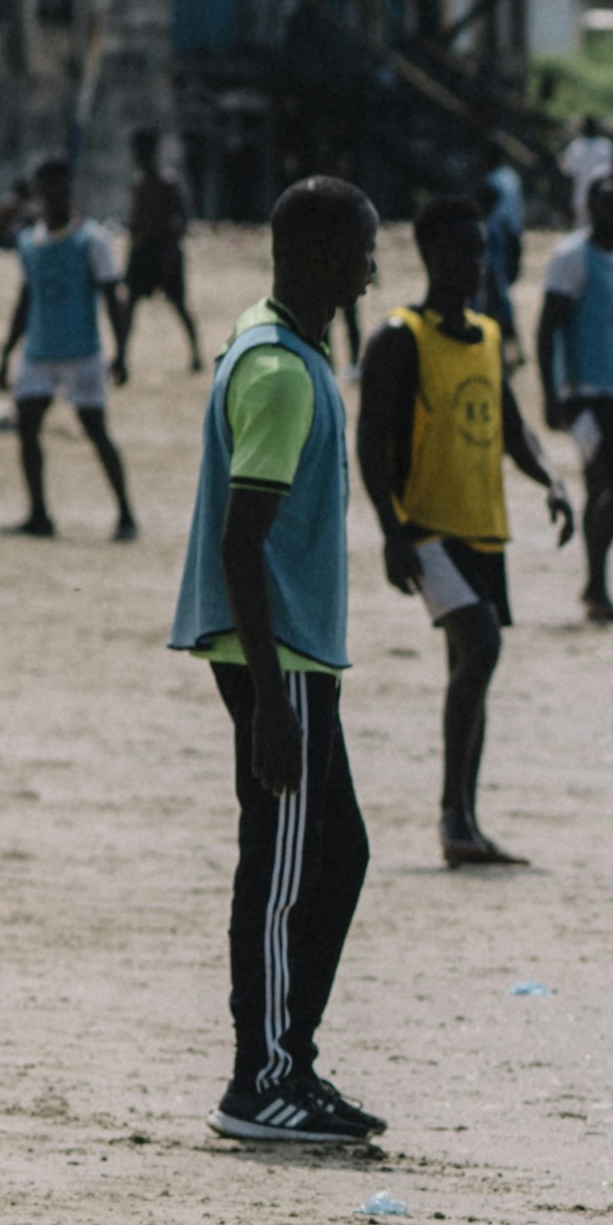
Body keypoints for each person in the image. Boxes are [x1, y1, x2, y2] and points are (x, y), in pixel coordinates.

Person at [173, 178, 394, 1151]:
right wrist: (269, 698)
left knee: (333, 853)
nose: (368, 273)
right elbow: (240, 542)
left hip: (293, 654)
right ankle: (260, 1079)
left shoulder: (282, 345)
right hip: (278, 656)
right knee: (283, 868)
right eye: (358, 252)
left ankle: (287, 1063)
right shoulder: (277, 373)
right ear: (312, 255)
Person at [363, 199, 579, 869]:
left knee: (470, 669)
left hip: (485, 531)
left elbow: (513, 429)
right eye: (462, 251)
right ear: (429, 255)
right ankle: (453, 813)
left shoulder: (487, 336)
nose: (476, 264)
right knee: (481, 647)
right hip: (426, 529)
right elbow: (369, 441)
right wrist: (390, 532)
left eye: (483, 251)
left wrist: (552, 480)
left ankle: (465, 822)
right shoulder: (399, 337)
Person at [524, 191, 613, 619]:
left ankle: (596, 587)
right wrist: (551, 393)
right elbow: (548, 327)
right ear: (590, 207)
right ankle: (595, 584)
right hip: (584, 395)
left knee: (604, 485)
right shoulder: (571, 258)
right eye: (607, 205)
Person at [0, 158, 137, 541]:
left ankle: (126, 514)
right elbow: (25, 301)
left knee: (95, 430)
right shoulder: (29, 243)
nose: (51, 198)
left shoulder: (91, 242)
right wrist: (6, 354)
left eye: (57, 189)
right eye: (45, 190)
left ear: (68, 192)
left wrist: (122, 352)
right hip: (38, 352)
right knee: (27, 428)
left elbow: (112, 298)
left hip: (82, 353)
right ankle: (39, 514)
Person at [115, 137, 205, 373]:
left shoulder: (167, 183)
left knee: (179, 305)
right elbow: (135, 224)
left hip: (163, 250)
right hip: (142, 251)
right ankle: (121, 357)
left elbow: (181, 220)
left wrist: (170, 252)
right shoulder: (138, 184)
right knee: (130, 306)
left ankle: (196, 355)